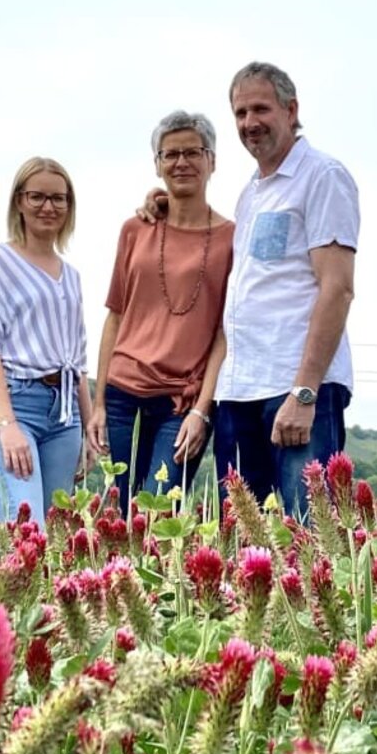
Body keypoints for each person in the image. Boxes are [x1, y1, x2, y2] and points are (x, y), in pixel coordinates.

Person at [213, 62, 360, 517]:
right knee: (239, 542)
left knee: (311, 533)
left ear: (291, 109)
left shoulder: (323, 176)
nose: (249, 123)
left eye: (261, 109)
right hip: (240, 388)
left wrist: (304, 392)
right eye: (240, 113)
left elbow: (336, 288)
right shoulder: (250, 192)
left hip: (294, 387)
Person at [87, 111, 234, 511]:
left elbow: (225, 333)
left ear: (212, 161)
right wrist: (97, 403)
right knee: (112, 513)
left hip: (180, 400)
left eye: (192, 152)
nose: (181, 162)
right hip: (120, 394)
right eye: (170, 154)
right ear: (157, 164)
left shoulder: (231, 238)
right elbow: (115, 316)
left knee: (157, 512)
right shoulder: (135, 229)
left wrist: (203, 411)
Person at [0, 157, 90, 524]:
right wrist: (6, 425)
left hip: (63, 413)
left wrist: (86, 427)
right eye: (37, 196)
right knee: (25, 529)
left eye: (58, 199)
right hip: (14, 403)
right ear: (19, 200)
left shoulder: (71, 275)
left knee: (58, 535)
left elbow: (77, 359)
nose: (48, 207)